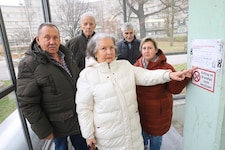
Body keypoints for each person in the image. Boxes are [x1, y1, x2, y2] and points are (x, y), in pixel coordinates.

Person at [75, 33, 194, 150]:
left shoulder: (124, 66)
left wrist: (169, 74)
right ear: (94, 52)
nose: (109, 52)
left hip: (133, 135)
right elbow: (84, 109)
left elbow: (147, 76)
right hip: (108, 138)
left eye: (111, 47)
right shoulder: (87, 76)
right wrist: (88, 135)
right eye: (103, 48)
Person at [16, 22, 89, 150]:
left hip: (77, 118)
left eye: (55, 37)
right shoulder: (29, 64)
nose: (52, 41)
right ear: (38, 40)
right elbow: (28, 102)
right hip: (56, 125)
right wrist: (43, 130)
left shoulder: (66, 56)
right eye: (47, 37)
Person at [134, 37, 192, 150]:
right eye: (144, 48)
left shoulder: (166, 67)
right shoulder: (136, 67)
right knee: (142, 138)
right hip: (141, 113)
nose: (146, 51)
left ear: (156, 50)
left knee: (156, 141)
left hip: (158, 115)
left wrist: (184, 79)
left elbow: (174, 89)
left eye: (150, 48)